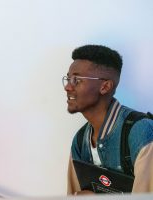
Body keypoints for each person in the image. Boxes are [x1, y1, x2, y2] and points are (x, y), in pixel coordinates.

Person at [64, 44, 153, 195]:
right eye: (68, 79)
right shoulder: (79, 141)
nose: (67, 87)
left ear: (105, 87)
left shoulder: (141, 133)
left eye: (77, 80)